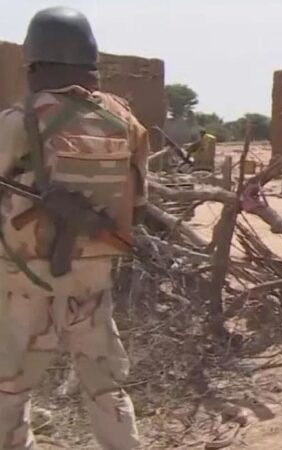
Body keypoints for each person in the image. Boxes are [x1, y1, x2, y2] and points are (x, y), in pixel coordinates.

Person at [0, 7, 146, 449]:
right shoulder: (125, 121)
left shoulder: (19, 120)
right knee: (106, 389)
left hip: (24, 281)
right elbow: (137, 207)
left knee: (9, 390)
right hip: (92, 282)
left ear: (35, 63)